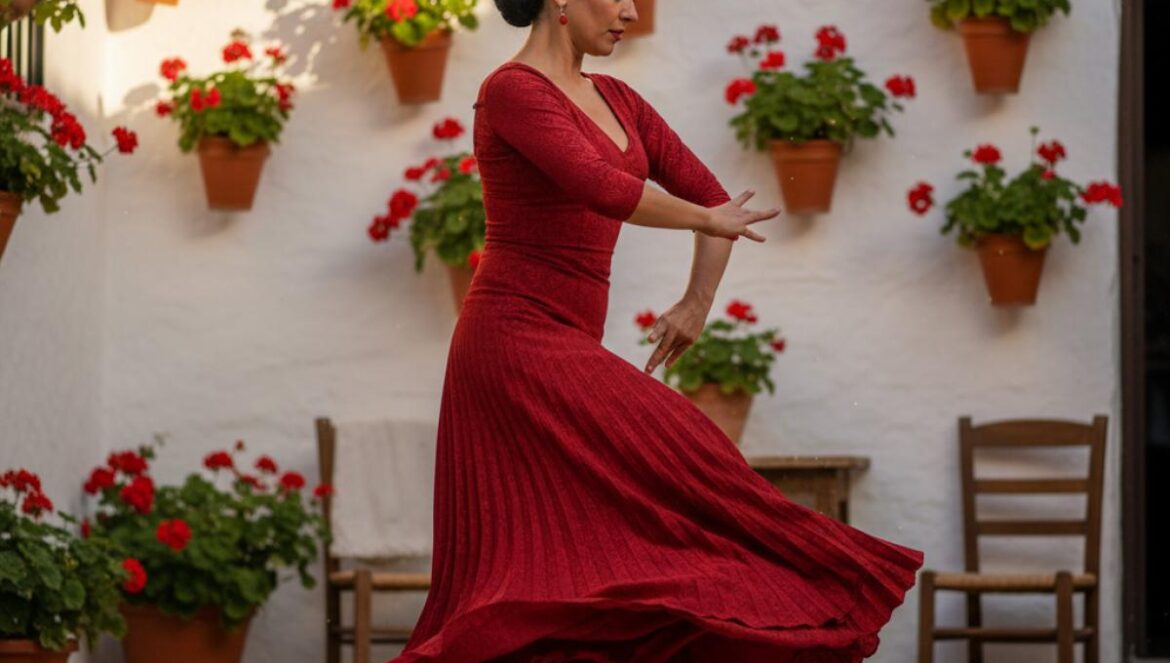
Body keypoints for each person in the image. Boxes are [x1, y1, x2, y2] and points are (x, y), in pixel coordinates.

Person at [388, 1, 925, 661]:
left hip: (567, 344)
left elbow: (718, 202)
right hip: (512, 344)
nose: (630, 11)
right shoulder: (512, 92)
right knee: (693, 466)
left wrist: (696, 303)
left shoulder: (620, 100)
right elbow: (601, 187)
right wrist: (705, 221)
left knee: (583, 565)